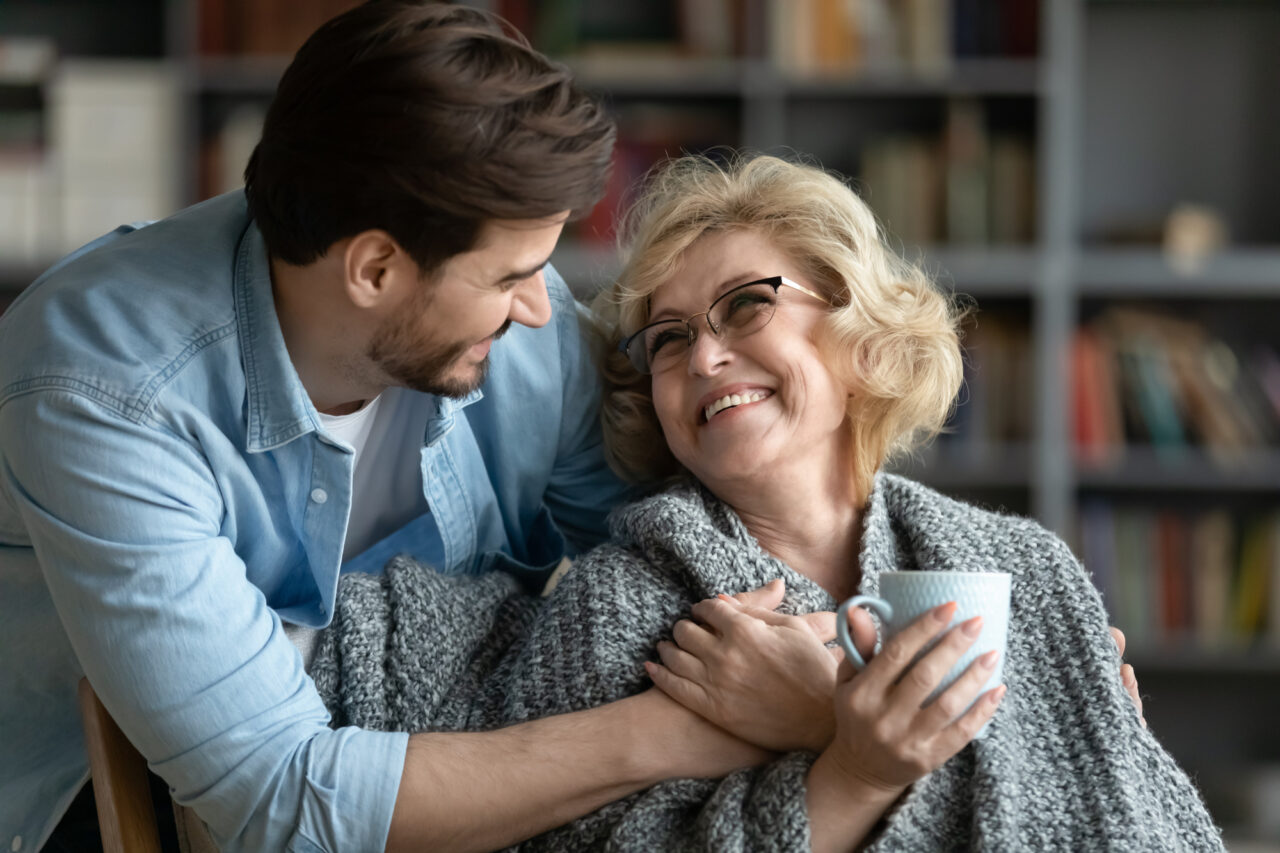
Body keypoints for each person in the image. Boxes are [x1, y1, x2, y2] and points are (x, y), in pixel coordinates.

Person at [0, 5, 782, 851]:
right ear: (374, 268)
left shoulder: (525, 324)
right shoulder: (102, 391)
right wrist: (673, 735)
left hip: (450, 766)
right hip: (118, 806)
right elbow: (281, 801)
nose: (539, 305)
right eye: (510, 276)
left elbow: (683, 550)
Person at [314, 153, 1222, 851]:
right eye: (667, 339)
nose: (703, 357)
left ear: (861, 326)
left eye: (746, 305)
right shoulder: (627, 609)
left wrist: (828, 722)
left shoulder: (1026, 569)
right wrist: (852, 775)